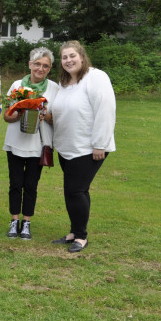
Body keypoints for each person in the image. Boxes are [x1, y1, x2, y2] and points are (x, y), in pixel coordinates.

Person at [47, 41, 115, 253]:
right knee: (73, 192)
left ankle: (81, 236)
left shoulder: (96, 77)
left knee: (75, 191)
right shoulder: (64, 82)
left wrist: (100, 144)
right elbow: (60, 114)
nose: (68, 60)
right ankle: (74, 231)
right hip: (67, 147)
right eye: (64, 57)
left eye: (72, 56)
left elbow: (106, 110)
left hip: (88, 148)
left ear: (82, 57)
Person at [2, 47, 59, 240]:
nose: (41, 69)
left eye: (45, 66)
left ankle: (26, 222)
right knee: (15, 183)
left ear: (50, 68)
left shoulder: (54, 88)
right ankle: (14, 221)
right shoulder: (17, 85)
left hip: (39, 144)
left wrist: (46, 115)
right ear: (30, 65)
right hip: (16, 141)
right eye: (37, 64)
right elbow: (6, 116)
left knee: (31, 185)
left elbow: (57, 119)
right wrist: (18, 113)